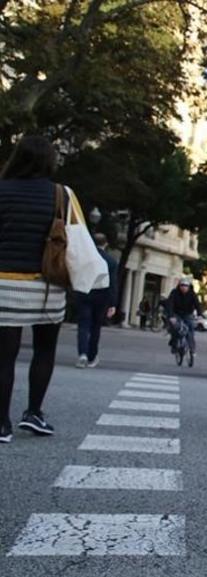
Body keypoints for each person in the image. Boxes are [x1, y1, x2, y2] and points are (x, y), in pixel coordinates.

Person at [0, 135, 70, 441]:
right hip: (47, 286)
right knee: (44, 349)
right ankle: (34, 412)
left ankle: (1, 423)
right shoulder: (62, 195)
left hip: (4, 284)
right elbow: (76, 237)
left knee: (4, 356)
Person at [73, 232, 119, 368]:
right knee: (95, 327)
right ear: (106, 244)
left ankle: (82, 354)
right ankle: (92, 356)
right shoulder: (111, 261)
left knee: (83, 325)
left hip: (85, 294)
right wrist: (113, 303)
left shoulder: (84, 259)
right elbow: (113, 283)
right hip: (102, 297)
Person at [164, 278, 201, 357]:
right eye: (182, 285)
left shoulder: (192, 294)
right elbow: (170, 304)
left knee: (190, 329)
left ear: (189, 287)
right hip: (176, 313)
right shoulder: (174, 293)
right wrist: (171, 316)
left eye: (186, 286)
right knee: (176, 327)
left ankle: (192, 349)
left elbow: (197, 304)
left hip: (187, 314)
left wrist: (199, 315)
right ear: (179, 286)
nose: (184, 287)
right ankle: (174, 344)